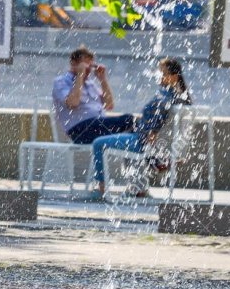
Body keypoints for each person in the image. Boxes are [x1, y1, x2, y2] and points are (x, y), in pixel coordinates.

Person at [90, 57, 192, 198]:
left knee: (98, 143)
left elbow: (157, 120)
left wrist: (152, 138)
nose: (158, 76)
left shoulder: (165, 98)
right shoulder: (177, 96)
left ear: (173, 77)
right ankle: (138, 187)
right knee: (124, 131)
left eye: (162, 73)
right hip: (146, 141)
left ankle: (101, 189)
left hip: (143, 142)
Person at [52, 45, 133, 144]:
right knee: (129, 120)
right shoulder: (61, 81)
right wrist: (80, 74)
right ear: (73, 63)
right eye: (85, 66)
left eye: (90, 66)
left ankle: (140, 156)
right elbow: (73, 103)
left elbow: (109, 105)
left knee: (134, 127)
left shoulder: (90, 83)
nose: (88, 70)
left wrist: (102, 79)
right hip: (80, 130)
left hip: (98, 125)